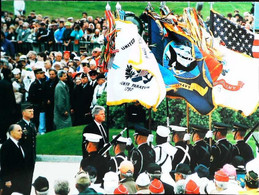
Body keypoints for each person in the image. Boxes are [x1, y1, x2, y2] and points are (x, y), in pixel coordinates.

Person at [0, 124, 28, 195]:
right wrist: (7, 180)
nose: (21, 132)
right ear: (11, 132)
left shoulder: (20, 144)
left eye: (21, 130)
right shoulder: (6, 146)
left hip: (21, 179)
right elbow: (4, 164)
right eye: (19, 131)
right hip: (11, 181)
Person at [16, 102, 37, 195]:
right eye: (29, 111)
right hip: (23, 158)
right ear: (23, 113)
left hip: (31, 157)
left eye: (32, 111)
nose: (32, 112)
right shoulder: (19, 126)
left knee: (30, 180)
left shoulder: (32, 125)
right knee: (23, 181)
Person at [0, 68, 17, 144]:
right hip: (7, 109)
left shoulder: (2, 82)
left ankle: (2, 138)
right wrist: (13, 109)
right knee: (7, 125)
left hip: (2, 108)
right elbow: (10, 98)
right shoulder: (7, 84)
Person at [27, 68, 46, 134]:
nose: (42, 74)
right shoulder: (34, 84)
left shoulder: (41, 82)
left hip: (40, 105)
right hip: (35, 105)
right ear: (36, 75)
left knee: (39, 120)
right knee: (35, 120)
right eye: (40, 73)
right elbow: (31, 97)